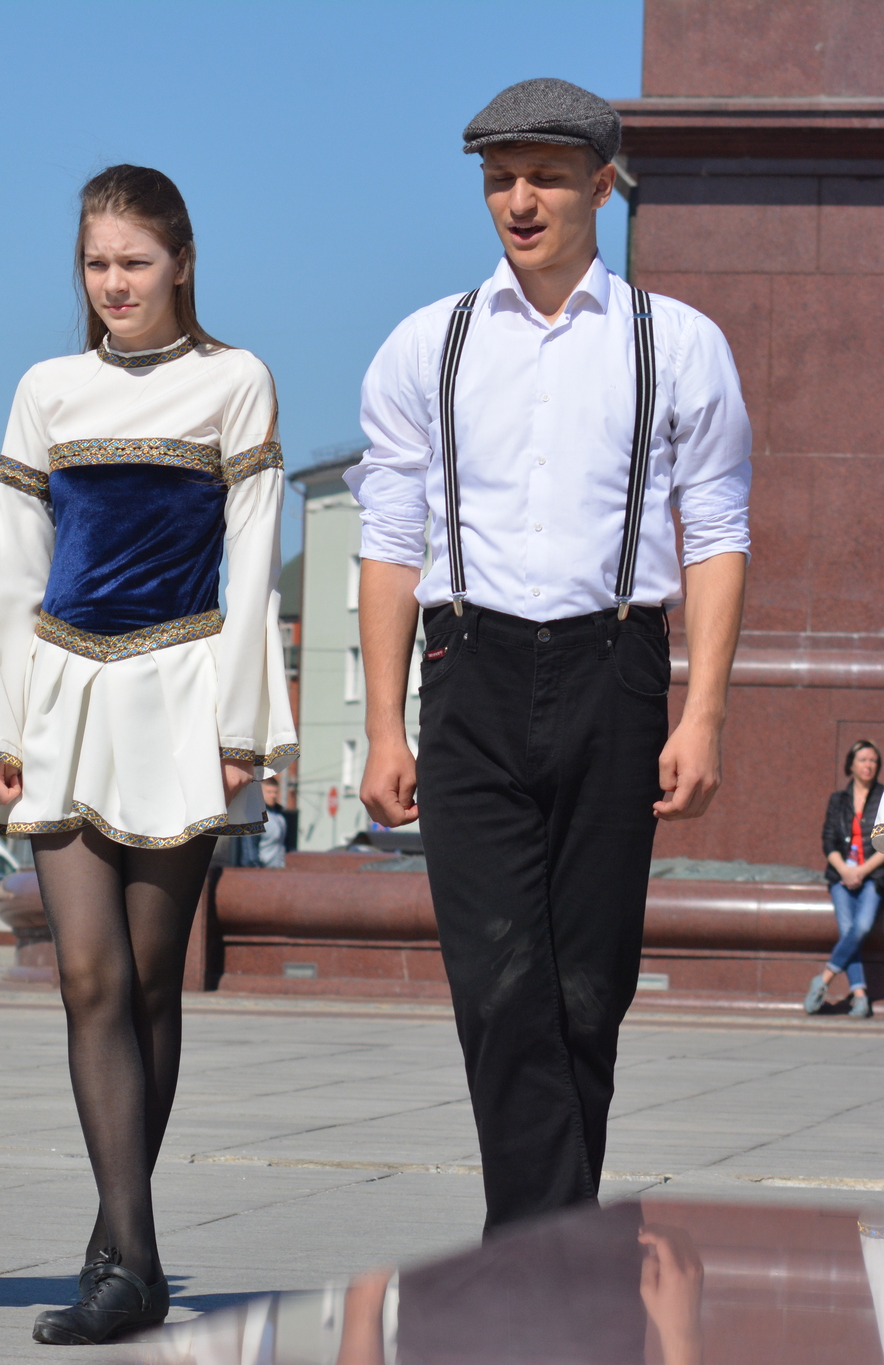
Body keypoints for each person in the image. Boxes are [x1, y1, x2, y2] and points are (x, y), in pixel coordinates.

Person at [352, 79, 751, 1234]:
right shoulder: (425, 346)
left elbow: (715, 534)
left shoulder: (674, 344)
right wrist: (381, 725)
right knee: (494, 983)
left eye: (543, 177)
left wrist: (702, 713)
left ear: (600, 185)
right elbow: (387, 545)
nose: (517, 201)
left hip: (615, 670)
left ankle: (542, 1261)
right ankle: (542, 1261)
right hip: (466, 666)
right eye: (497, 178)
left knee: (585, 986)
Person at [0, 164, 295, 1345]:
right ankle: (134, 1262)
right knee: (86, 978)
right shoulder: (47, 389)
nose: (114, 283)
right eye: (96, 263)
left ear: (181, 262)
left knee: (147, 984)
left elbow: (251, 560)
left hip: (180, 695)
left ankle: (113, 1245)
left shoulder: (234, 381)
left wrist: (242, 727)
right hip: (63, 698)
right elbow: (7, 563)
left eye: (134, 261)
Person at [808, 739, 882, 1017]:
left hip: (873, 875)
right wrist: (845, 870)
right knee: (849, 928)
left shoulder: (883, 798)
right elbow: (828, 841)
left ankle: (824, 978)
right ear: (851, 765)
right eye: (863, 760)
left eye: (873, 760)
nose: (868, 765)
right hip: (841, 875)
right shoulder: (838, 800)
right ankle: (860, 997)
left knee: (860, 927)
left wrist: (861, 871)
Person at [254, 775, 296, 870]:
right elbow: (251, 847)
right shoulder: (256, 816)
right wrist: (256, 866)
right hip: (262, 867)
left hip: (278, 866)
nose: (273, 796)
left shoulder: (280, 816)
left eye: (275, 792)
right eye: (269, 792)